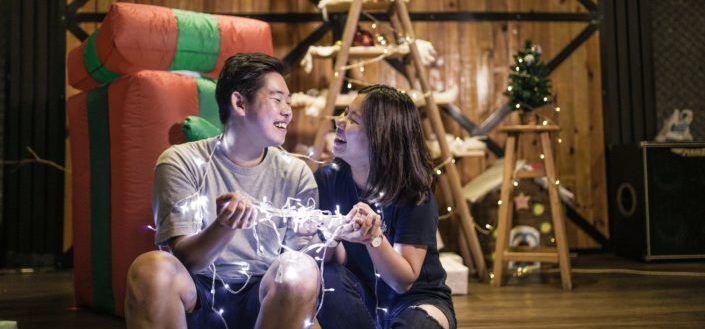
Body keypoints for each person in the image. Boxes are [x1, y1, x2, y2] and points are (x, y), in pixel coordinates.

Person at [124, 53, 321, 329]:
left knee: (300, 269)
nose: (288, 110)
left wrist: (333, 236)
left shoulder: (296, 174)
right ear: (239, 103)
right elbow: (186, 258)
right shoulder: (181, 161)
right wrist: (224, 226)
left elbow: (302, 266)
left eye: (288, 101)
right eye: (277, 99)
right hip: (200, 295)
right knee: (149, 268)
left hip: (264, 301)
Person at [315, 85, 457, 329]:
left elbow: (403, 282)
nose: (339, 120)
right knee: (324, 275)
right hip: (362, 300)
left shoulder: (413, 191)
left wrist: (374, 238)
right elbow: (333, 258)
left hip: (416, 302)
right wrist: (332, 234)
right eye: (345, 112)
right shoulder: (329, 179)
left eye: (353, 119)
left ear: (381, 136)